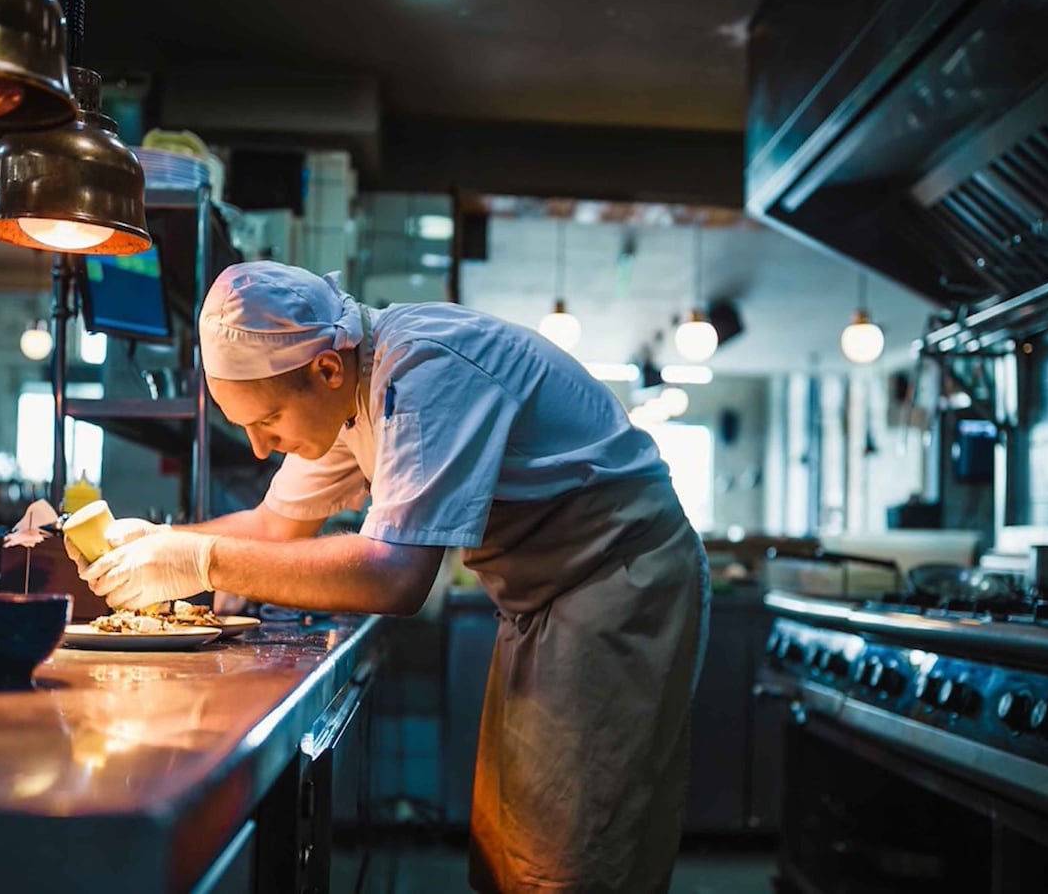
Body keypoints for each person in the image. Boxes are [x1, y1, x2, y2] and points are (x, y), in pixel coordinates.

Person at [67, 260, 710, 893]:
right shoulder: (347, 390)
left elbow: (394, 576)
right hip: (544, 600)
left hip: (619, 581)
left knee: (575, 855)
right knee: (514, 847)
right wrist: (151, 542)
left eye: (267, 422)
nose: (261, 448)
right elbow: (271, 527)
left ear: (324, 369)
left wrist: (197, 560)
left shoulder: (424, 372)